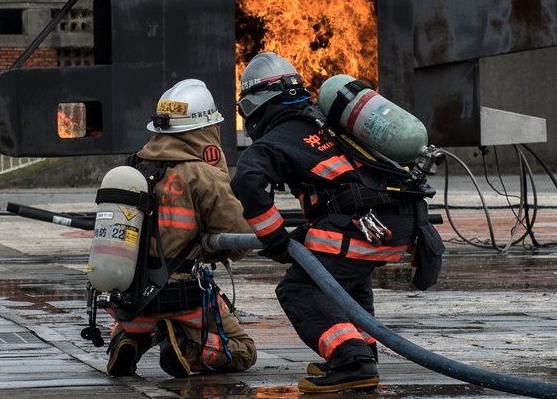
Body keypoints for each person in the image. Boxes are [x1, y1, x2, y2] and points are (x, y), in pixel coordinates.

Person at [231, 52, 434, 394]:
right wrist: (302, 235)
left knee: (298, 289)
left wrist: (275, 239)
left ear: (257, 104)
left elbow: (247, 180)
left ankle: (351, 359)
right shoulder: (325, 121)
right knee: (346, 282)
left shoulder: (277, 138)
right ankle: (363, 350)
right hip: (402, 219)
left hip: (365, 223)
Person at [104, 78, 258, 378]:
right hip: (180, 297)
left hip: (127, 299)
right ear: (203, 129)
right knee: (243, 349)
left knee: (141, 324)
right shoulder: (202, 175)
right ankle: (188, 347)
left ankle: (126, 340)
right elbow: (240, 243)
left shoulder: (131, 167)